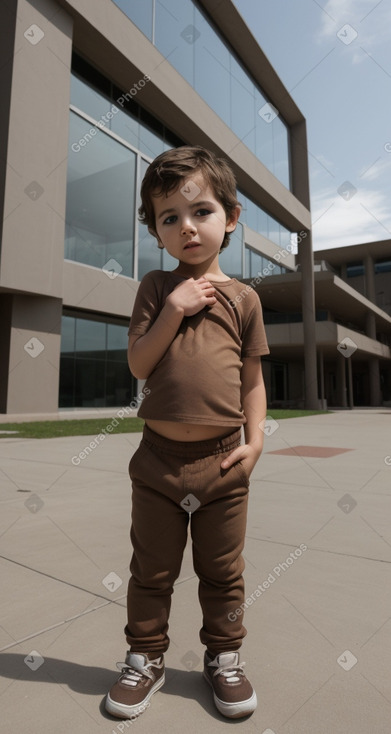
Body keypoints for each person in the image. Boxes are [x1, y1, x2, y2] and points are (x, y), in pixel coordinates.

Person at [105, 145, 269, 720]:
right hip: (157, 462)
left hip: (225, 463)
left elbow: (252, 380)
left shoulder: (245, 298)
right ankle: (144, 657)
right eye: (168, 217)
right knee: (151, 570)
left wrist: (256, 443)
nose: (186, 227)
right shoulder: (155, 287)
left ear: (231, 216)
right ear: (156, 231)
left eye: (200, 211)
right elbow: (139, 365)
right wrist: (173, 308)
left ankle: (224, 656)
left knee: (223, 573)